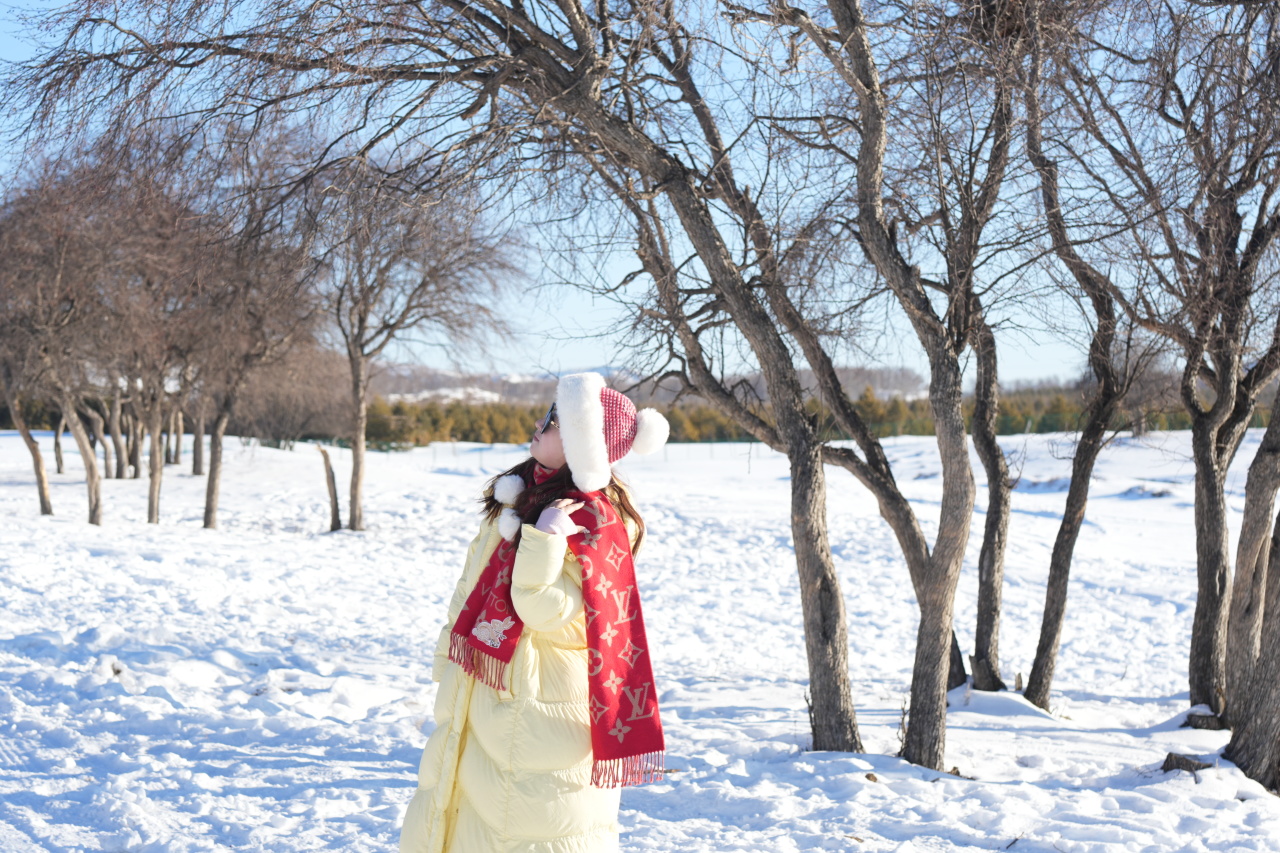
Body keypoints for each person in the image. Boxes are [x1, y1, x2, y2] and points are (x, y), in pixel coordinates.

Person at [400, 372, 670, 853]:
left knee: (524, 831)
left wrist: (544, 539)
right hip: (485, 687)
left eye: (553, 421)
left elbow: (544, 611)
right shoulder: (520, 493)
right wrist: (449, 657)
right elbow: (470, 585)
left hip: (540, 709)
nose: (538, 425)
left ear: (580, 444)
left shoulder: (592, 521)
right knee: (466, 823)